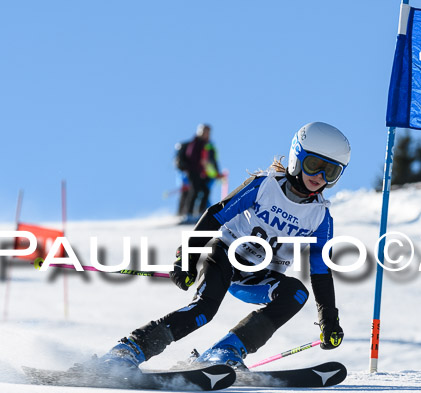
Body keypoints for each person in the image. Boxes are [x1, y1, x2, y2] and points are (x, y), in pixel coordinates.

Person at [101, 122, 349, 371]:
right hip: (225, 257)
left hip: (259, 278)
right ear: (297, 158)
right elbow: (214, 215)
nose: (320, 177)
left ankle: (225, 350)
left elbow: (320, 270)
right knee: (204, 309)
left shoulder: (320, 217)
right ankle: (130, 349)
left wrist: (328, 319)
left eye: (331, 171)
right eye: (314, 165)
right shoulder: (265, 186)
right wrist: (186, 257)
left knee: (296, 293)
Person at [175, 123, 220, 222]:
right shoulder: (196, 143)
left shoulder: (207, 144)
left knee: (205, 190)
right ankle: (188, 214)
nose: (206, 134)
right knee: (194, 191)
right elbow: (192, 157)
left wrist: (215, 172)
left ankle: (200, 213)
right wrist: (199, 166)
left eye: (208, 132)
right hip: (194, 171)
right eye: (204, 131)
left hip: (201, 172)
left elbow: (211, 160)